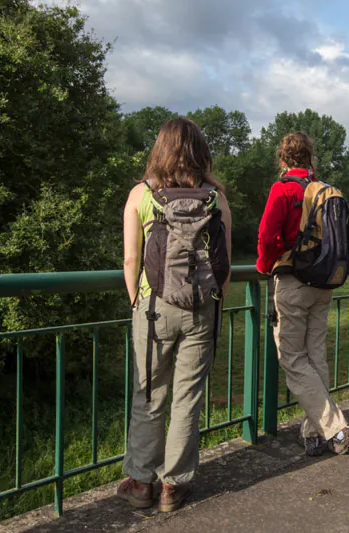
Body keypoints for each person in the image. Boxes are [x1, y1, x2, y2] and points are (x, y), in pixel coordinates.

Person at [118, 117, 232, 512]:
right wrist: (215, 302)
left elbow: (131, 258)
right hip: (201, 309)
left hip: (152, 308)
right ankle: (174, 486)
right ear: (201, 152)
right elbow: (225, 264)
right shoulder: (215, 198)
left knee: (148, 394)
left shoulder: (142, 194)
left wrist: (136, 300)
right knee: (187, 397)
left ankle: (140, 482)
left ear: (160, 150)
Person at [257, 132, 349, 457]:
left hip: (294, 282)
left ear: (283, 159)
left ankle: (336, 429)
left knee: (292, 359)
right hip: (323, 283)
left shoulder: (284, 189)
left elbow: (266, 236)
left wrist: (264, 266)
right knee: (315, 357)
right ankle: (314, 434)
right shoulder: (326, 191)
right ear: (310, 158)